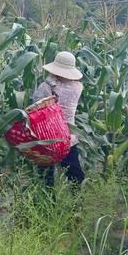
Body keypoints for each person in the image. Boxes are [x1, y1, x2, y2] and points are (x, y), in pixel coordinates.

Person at [32, 51, 85, 187]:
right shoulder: (78, 87)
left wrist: (49, 80)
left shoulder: (47, 86)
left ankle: (49, 204)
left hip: (47, 137)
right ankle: (76, 203)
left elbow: (35, 105)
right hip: (68, 138)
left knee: (46, 177)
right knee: (75, 175)